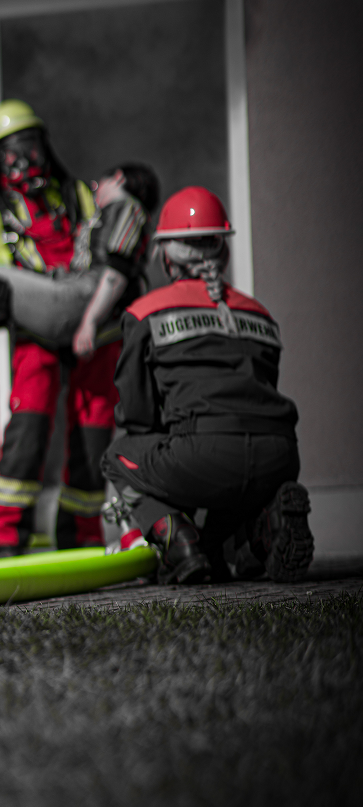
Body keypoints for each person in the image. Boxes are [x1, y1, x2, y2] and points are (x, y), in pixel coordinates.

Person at [0, 99, 157, 554]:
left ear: (46, 146)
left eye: (30, 146)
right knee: (28, 424)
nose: (24, 160)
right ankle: (7, 538)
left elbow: (106, 249)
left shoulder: (79, 194)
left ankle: (78, 535)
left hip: (97, 332)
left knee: (93, 427)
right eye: (11, 151)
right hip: (38, 332)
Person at [101, 186, 314, 585]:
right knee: (216, 548)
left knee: (118, 457)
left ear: (166, 255)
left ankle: (178, 545)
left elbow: (137, 414)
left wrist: (168, 484)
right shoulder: (259, 313)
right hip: (279, 456)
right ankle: (266, 525)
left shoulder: (145, 312)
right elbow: (259, 393)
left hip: (202, 454)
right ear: (224, 251)